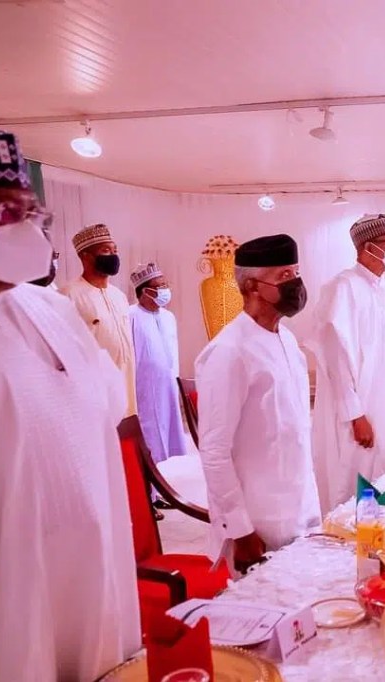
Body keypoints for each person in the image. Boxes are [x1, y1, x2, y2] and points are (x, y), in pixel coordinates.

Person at [0, 129, 139, 682]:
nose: (24, 229)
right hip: (10, 582)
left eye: (31, 213)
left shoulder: (51, 307)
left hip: (94, 561)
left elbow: (104, 403)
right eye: (6, 213)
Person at [195, 234, 321, 575]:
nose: (295, 283)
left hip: (300, 508)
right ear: (252, 285)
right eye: (284, 275)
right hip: (258, 523)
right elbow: (214, 450)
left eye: (296, 272)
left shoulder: (287, 340)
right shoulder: (229, 352)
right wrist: (240, 529)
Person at [310, 215, 385, 513]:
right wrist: (355, 415)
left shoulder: (381, 288)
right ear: (368, 247)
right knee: (354, 484)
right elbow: (336, 358)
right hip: (361, 413)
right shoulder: (342, 287)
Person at [62, 222, 136, 415]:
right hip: (94, 388)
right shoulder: (68, 295)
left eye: (115, 250)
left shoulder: (119, 296)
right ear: (85, 256)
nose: (113, 255)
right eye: (105, 250)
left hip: (126, 382)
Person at [129, 262, 188, 466]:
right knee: (151, 430)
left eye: (165, 285)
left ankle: (173, 470)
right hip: (145, 388)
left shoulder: (169, 317)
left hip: (169, 384)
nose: (164, 290)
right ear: (145, 291)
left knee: (171, 425)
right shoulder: (131, 316)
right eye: (159, 286)